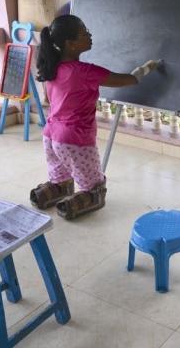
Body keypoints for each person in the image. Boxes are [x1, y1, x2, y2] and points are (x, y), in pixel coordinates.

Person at [29, 14, 159, 219]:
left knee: (60, 177)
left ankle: (51, 192)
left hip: (51, 134)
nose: (89, 36)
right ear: (70, 44)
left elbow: (49, 99)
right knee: (95, 187)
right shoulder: (85, 72)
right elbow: (130, 80)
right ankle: (76, 202)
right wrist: (148, 67)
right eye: (83, 33)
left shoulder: (51, 69)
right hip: (74, 139)